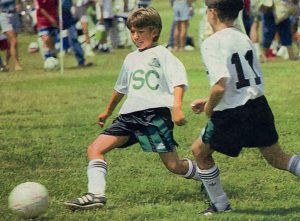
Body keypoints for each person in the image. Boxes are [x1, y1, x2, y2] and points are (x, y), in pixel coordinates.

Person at [64, 7, 202, 210]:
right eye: (132, 32)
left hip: (154, 116)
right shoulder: (130, 58)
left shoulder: (162, 54)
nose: (135, 37)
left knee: (174, 166)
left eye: (141, 32)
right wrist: (108, 111)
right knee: (95, 148)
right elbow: (120, 88)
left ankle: (207, 176)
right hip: (128, 117)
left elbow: (178, 81)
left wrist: (177, 108)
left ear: (154, 32)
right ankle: (96, 195)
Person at [191, 0, 300, 216]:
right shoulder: (244, 38)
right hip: (258, 105)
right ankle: (220, 206)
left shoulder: (211, 43)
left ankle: (220, 205)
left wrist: (210, 107)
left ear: (212, 13)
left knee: (199, 152)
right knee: (277, 157)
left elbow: (221, 84)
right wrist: (210, 98)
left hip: (232, 113)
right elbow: (242, 81)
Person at [62, 0, 93, 67]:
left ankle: (81, 61)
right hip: (57, 13)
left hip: (68, 14)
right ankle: (52, 57)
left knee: (73, 38)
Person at [0, 0, 23, 71]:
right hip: (5, 16)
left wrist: (19, 6)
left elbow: (19, 1)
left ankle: (6, 62)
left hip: (15, 15)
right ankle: (17, 64)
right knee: (14, 41)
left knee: (11, 43)